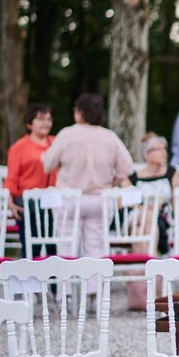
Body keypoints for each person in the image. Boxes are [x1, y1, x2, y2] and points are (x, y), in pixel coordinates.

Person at [41, 93, 135, 262]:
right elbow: (127, 167)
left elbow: (48, 164)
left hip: (69, 198)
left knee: (66, 247)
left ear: (79, 112)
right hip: (99, 199)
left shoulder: (67, 134)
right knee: (96, 247)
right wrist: (114, 180)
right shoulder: (109, 136)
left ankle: (66, 288)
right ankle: (94, 288)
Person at [2, 103, 57, 258]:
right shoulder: (19, 147)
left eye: (49, 119)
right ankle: (31, 280)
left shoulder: (57, 143)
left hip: (53, 203)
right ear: (29, 123)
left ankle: (54, 282)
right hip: (28, 204)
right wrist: (10, 202)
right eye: (40, 119)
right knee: (32, 248)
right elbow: (11, 178)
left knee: (54, 248)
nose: (46, 123)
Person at [128, 132, 179, 255]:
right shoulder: (134, 177)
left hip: (161, 219)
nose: (163, 152)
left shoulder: (171, 173)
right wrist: (147, 208)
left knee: (138, 230)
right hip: (138, 215)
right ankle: (154, 266)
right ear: (146, 154)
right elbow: (124, 202)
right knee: (146, 217)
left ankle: (142, 269)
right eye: (158, 149)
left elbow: (177, 202)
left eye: (164, 149)